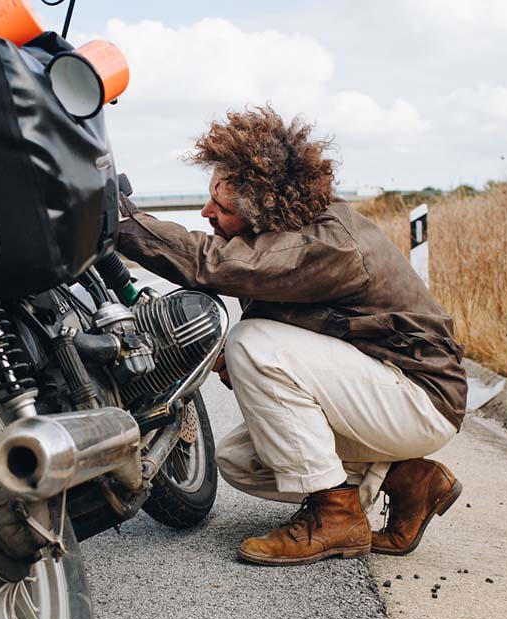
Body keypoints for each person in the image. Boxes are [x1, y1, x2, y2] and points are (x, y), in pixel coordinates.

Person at [116, 106, 468, 565]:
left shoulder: (328, 242)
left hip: (419, 395)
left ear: (264, 204)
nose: (207, 213)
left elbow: (214, 265)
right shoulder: (292, 237)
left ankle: (334, 516)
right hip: (385, 392)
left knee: (250, 343)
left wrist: (121, 223)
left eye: (221, 208)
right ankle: (408, 481)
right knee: (242, 458)